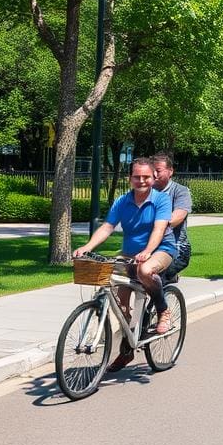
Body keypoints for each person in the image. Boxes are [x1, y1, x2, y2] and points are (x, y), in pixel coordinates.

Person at [73, 157, 175, 372]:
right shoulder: (122, 201)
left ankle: (163, 310)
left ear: (153, 177)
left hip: (160, 250)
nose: (141, 181)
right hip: (129, 253)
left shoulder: (161, 200)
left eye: (146, 177)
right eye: (137, 177)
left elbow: (159, 229)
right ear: (130, 179)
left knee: (145, 270)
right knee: (117, 298)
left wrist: (147, 251)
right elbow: (107, 227)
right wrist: (87, 247)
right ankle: (128, 346)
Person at [151, 152, 192, 281]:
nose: (154, 175)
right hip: (149, 245)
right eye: (152, 171)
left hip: (177, 247)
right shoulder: (145, 191)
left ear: (170, 171)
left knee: (153, 280)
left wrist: (157, 224)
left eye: (158, 171)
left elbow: (178, 217)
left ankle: (166, 284)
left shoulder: (180, 191)